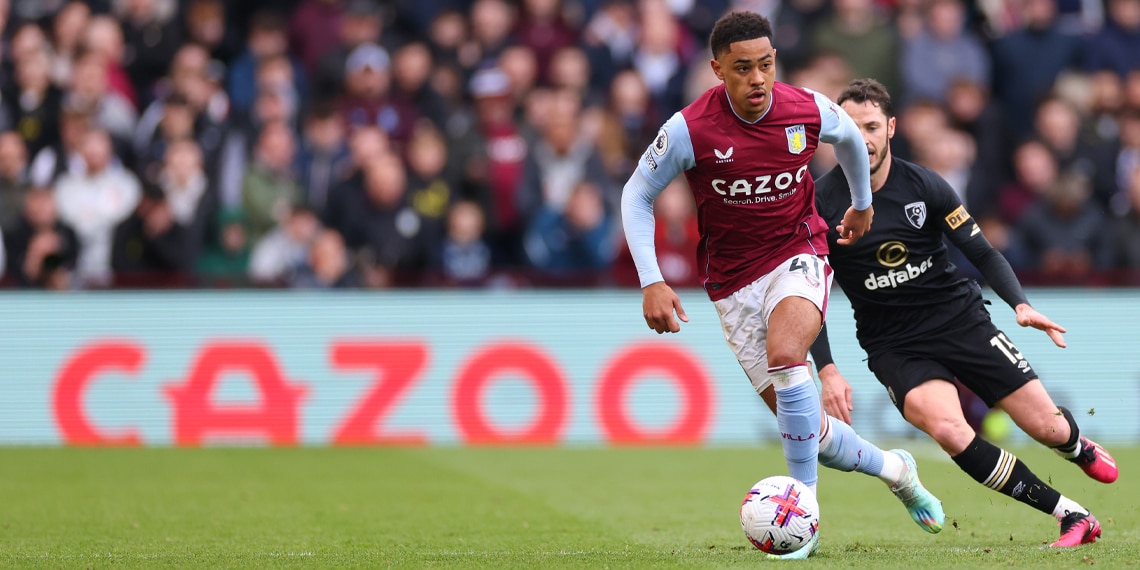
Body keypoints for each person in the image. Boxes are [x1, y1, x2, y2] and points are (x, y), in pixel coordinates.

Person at [620, 12, 941, 560]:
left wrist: (862, 205)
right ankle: (896, 469)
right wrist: (651, 279)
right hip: (731, 283)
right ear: (717, 69)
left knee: (788, 353)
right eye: (742, 69)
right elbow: (636, 195)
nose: (757, 79)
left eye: (765, 65)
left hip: (799, 252)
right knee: (810, 433)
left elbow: (848, 139)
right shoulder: (688, 128)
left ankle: (803, 511)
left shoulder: (806, 107)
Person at [811, 78, 1119, 549]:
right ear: (835, 135)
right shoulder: (819, 205)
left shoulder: (924, 185)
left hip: (960, 321)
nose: (863, 138)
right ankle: (1071, 514)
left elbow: (982, 251)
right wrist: (828, 368)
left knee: (1046, 427)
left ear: (891, 128)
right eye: (851, 129)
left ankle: (1074, 445)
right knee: (951, 431)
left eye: (872, 126)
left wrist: (1020, 303)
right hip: (894, 345)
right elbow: (807, 294)